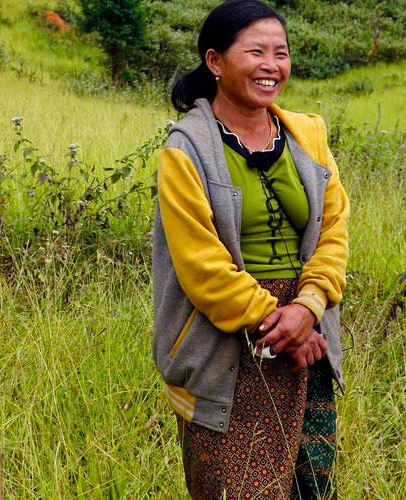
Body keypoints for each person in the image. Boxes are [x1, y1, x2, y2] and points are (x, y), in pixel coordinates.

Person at [151, 1, 350, 498]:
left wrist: (308, 307)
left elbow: (334, 229)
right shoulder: (186, 150)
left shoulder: (308, 135)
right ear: (215, 62)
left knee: (310, 486)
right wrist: (281, 324)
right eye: (255, 51)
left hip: (309, 336)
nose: (271, 66)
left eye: (280, 53)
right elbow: (203, 269)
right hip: (226, 345)